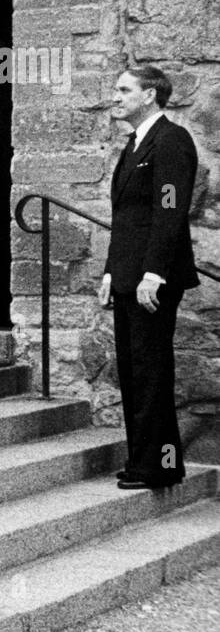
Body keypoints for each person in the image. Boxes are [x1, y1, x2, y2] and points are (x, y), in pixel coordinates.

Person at [98, 68, 198, 490]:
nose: (115, 97)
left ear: (150, 95)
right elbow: (126, 219)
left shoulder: (171, 140)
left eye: (124, 90)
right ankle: (147, 459)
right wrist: (109, 270)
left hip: (151, 280)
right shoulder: (134, 143)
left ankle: (158, 465)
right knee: (133, 370)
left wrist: (153, 273)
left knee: (150, 369)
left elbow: (169, 211)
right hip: (127, 276)